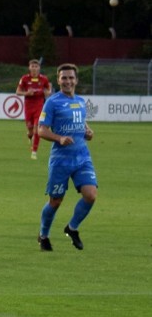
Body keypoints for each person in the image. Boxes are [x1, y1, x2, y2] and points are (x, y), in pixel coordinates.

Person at [36, 63, 97, 252]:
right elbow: (41, 130)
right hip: (61, 160)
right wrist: (59, 138)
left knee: (90, 195)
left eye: (71, 78)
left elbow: (80, 123)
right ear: (58, 80)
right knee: (55, 201)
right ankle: (43, 235)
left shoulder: (80, 101)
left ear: (76, 80)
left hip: (82, 157)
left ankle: (72, 228)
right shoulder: (52, 102)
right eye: (64, 78)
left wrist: (87, 131)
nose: (68, 81)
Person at [16, 59, 52, 160]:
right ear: (29, 67)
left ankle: (34, 151)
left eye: (36, 66)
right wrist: (26, 93)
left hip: (39, 106)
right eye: (32, 66)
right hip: (28, 106)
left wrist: (47, 93)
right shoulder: (24, 79)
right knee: (30, 130)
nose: (34, 68)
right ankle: (29, 135)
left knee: (37, 128)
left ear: (39, 68)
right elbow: (18, 92)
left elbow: (49, 90)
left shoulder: (44, 79)